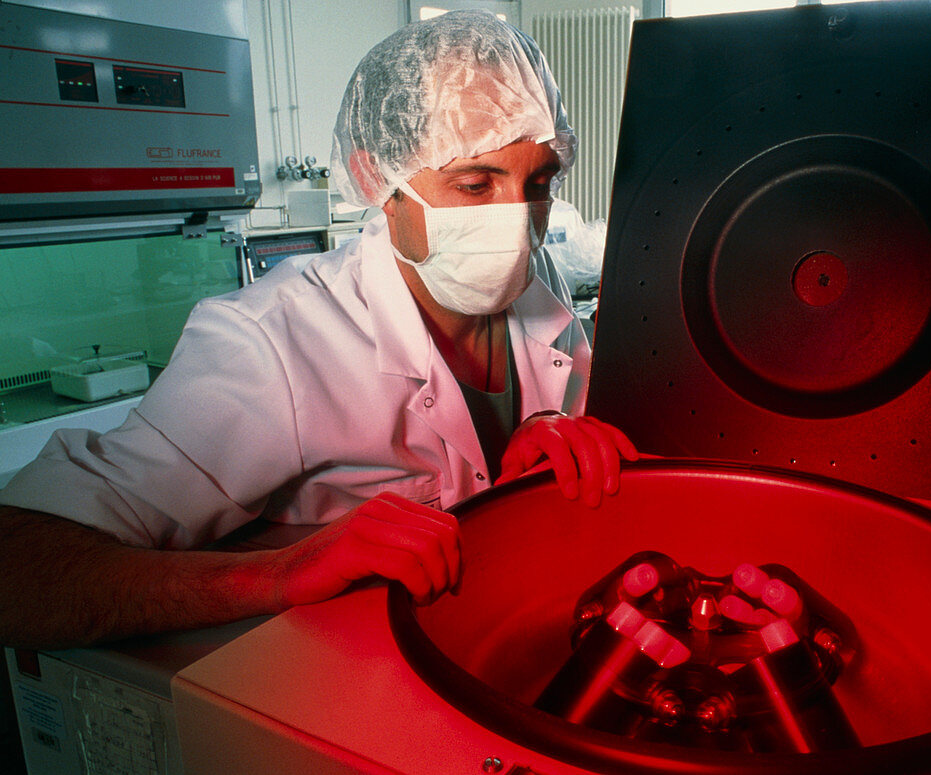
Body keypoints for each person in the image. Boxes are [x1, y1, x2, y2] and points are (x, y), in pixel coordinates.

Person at [0, 10, 637, 650]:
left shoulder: (536, 279)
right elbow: (20, 569)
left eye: (539, 182)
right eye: (474, 184)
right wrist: (284, 571)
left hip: (503, 643)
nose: (514, 221)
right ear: (377, 179)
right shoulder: (272, 343)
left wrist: (532, 463)